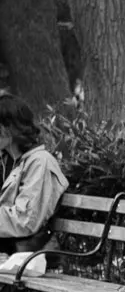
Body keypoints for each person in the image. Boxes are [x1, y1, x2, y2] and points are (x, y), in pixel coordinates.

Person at [1, 93, 68, 256]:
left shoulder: (40, 163)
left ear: (11, 128)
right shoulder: (6, 160)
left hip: (26, 255)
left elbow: (26, 220)